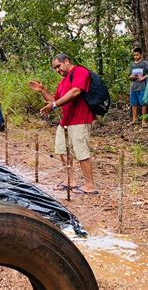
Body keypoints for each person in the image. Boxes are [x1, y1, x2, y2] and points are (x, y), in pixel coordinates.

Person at [29, 53, 97, 194]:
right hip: (66, 121)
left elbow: (75, 92)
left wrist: (53, 104)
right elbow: (56, 99)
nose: (57, 70)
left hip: (80, 119)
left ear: (66, 61)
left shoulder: (80, 71)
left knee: (81, 152)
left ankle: (89, 186)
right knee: (62, 149)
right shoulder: (63, 81)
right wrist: (42, 90)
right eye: (55, 68)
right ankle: (70, 181)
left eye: (58, 66)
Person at [128, 47, 148, 128]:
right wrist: (132, 76)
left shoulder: (144, 63)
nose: (136, 57)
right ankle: (134, 120)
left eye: (137, 55)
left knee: (143, 104)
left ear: (141, 55)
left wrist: (144, 77)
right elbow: (129, 76)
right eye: (134, 55)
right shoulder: (132, 64)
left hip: (142, 87)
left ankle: (143, 121)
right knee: (133, 104)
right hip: (133, 87)